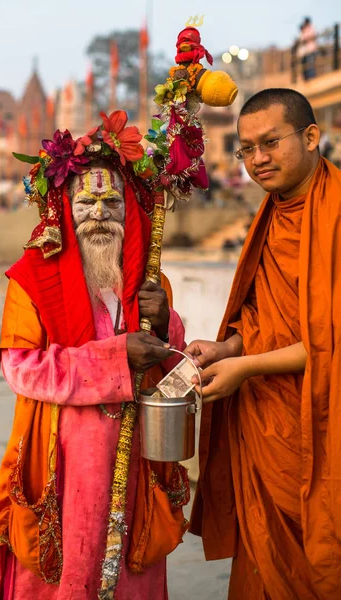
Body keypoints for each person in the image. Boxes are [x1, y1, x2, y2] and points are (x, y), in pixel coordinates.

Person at [0, 112, 189, 599]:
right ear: (63, 208)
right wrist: (117, 358)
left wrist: (164, 326)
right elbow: (22, 370)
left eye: (112, 201)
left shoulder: (150, 282)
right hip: (59, 465)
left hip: (135, 463)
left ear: (129, 209)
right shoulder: (31, 278)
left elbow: (172, 364)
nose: (99, 212)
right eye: (86, 201)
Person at [187, 88, 341, 599]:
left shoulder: (336, 212)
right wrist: (229, 350)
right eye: (246, 149)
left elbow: (331, 339)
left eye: (270, 142)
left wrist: (247, 369)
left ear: (312, 136)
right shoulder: (273, 213)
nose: (257, 159)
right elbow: (259, 315)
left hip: (323, 420)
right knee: (265, 563)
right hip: (268, 422)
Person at [298, 17, 317, 81]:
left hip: (310, 49)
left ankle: (311, 78)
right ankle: (307, 79)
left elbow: (309, 37)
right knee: (306, 66)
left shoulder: (311, 29)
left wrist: (305, 39)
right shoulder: (304, 30)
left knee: (310, 65)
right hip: (305, 51)